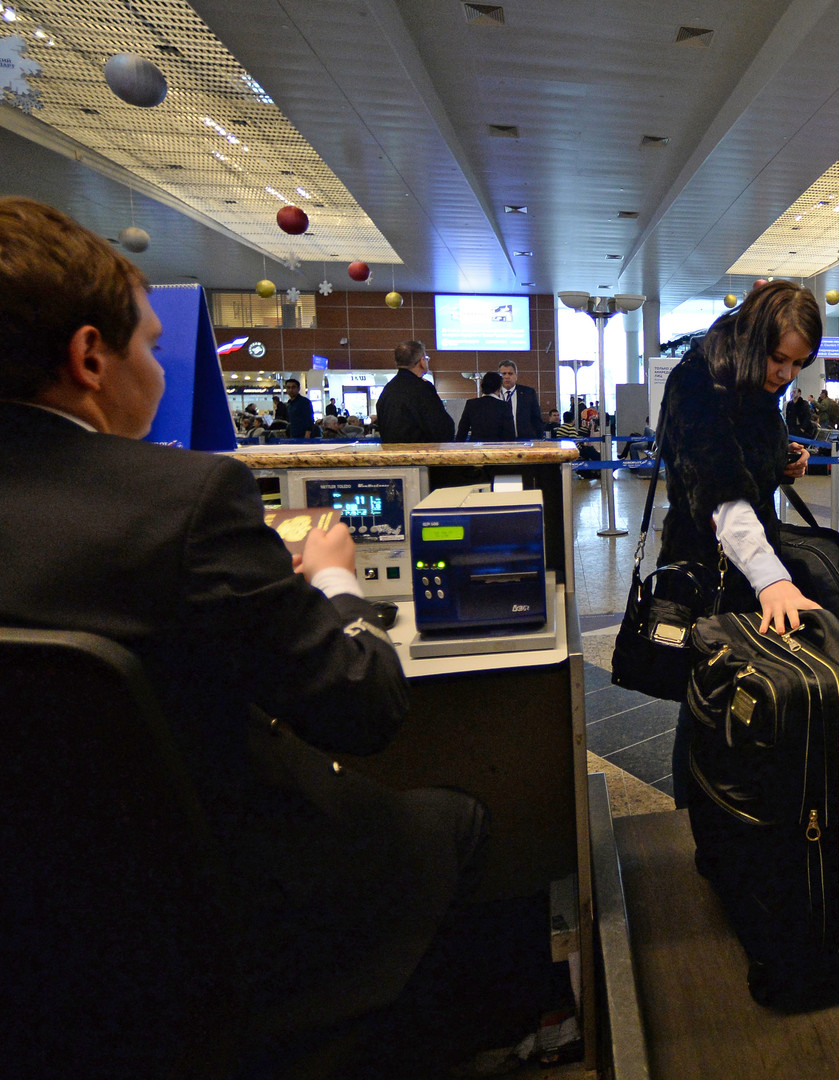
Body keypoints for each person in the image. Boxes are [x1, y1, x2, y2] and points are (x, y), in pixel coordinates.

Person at [0, 196, 566, 1076]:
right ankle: (477, 1038)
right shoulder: (181, 504)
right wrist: (335, 578)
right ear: (88, 357)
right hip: (223, 906)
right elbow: (362, 707)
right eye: (150, 345)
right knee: (456, 817)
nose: (156, 363)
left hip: (40, 937)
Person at [656, 280, 822, 803]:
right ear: (753, 340)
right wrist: (773, 578)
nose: (787, 375)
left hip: (746, 568)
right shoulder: (697, 381)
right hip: (707, 569)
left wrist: (783, 462)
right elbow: (720, 491)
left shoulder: (752, 381)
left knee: (737, 693)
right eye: (780, 360)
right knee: (704, 699)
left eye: (799, 365)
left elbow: (748, 462)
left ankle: (733, 803)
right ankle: (693, 815)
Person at [376, 340, 454, 444]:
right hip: (418, 454)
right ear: (422, 362)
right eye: (426, 358)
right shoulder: (423, 389)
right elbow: (441, 428)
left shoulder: (388, 389)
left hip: (391, 455)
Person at [457, 370, 516, 441]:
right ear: (499, 388)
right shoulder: (504, 406)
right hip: (497, 448)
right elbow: (510, 434)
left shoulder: (471, 404)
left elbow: (462, 431)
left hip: (476, 448)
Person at [498, 359, 544, 440]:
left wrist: (537, 438)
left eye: (510, 373)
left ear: (516, 376)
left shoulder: (528, 393)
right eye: (503, 374)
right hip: (500, 441)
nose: (507, 377)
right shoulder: (494, 394)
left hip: (524, 440)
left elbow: (536, 418)